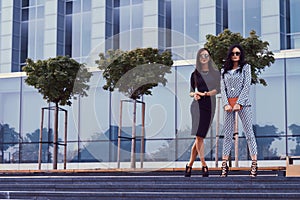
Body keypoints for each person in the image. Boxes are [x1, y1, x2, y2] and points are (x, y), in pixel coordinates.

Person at [220, 44, 258, 177]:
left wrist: (239, 102)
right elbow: (222, 88)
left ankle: (254, 163)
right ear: (230, 55)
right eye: (233, 53)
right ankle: (224, 164)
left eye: (238, 53)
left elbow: (247, 85)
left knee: (249, 133)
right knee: (228, 135)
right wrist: (225, 103)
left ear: (241, 54)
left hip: (243, 104)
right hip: (228, 105)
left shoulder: (246, 68)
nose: (235, 56)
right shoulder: (224, 70)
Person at [185, 48, 220, 177]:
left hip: (210, 105)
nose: (204, 57)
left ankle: (189, 165)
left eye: (206, 55)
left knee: (200, 137)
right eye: (201, 56)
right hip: (197, 106)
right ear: (198, 58)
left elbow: (217, 89)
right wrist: (194, 94)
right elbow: (190, 91)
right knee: (199, 136)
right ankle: (204, 164)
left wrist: (205, 94)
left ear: (209, 57)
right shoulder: (194, 74)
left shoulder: (215, 73)